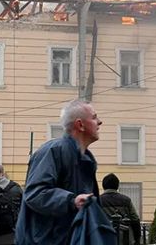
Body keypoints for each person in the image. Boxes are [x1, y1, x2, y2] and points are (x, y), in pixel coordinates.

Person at [16, 99, 102, 245]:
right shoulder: (53, 150)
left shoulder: (86, 158)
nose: (100, 122)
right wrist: (71, 200)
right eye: (94, 117)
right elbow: (35, 193)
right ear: (80, 124)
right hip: (45, 241)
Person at [99, 173, 142, 245]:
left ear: (103, 186)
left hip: (105, 238)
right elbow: (135, 219)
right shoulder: (126, 200)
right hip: (125, 238)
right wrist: (137, 239)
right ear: (117, 186)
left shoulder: (98, 201)